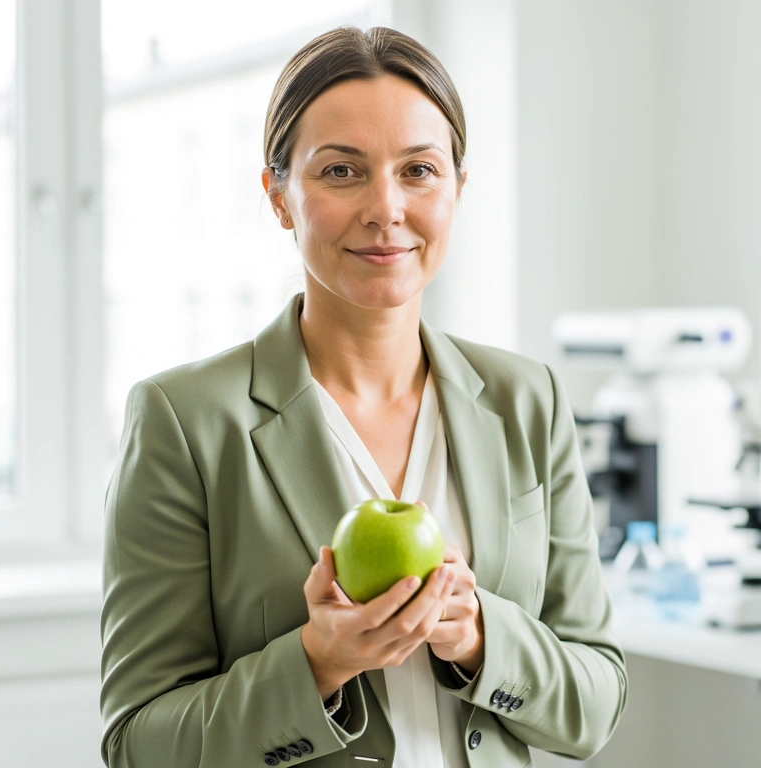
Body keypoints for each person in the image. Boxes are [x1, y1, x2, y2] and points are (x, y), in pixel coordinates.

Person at [99, 25, 626, 768]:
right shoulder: (185, 422)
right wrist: (317, 661)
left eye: (418, 171)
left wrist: (480, 638)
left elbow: (596, 703)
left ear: (457, 189)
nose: (386, 208)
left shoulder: (526, 400)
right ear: (280, 196)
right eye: (342, 172)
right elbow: (136, 746)